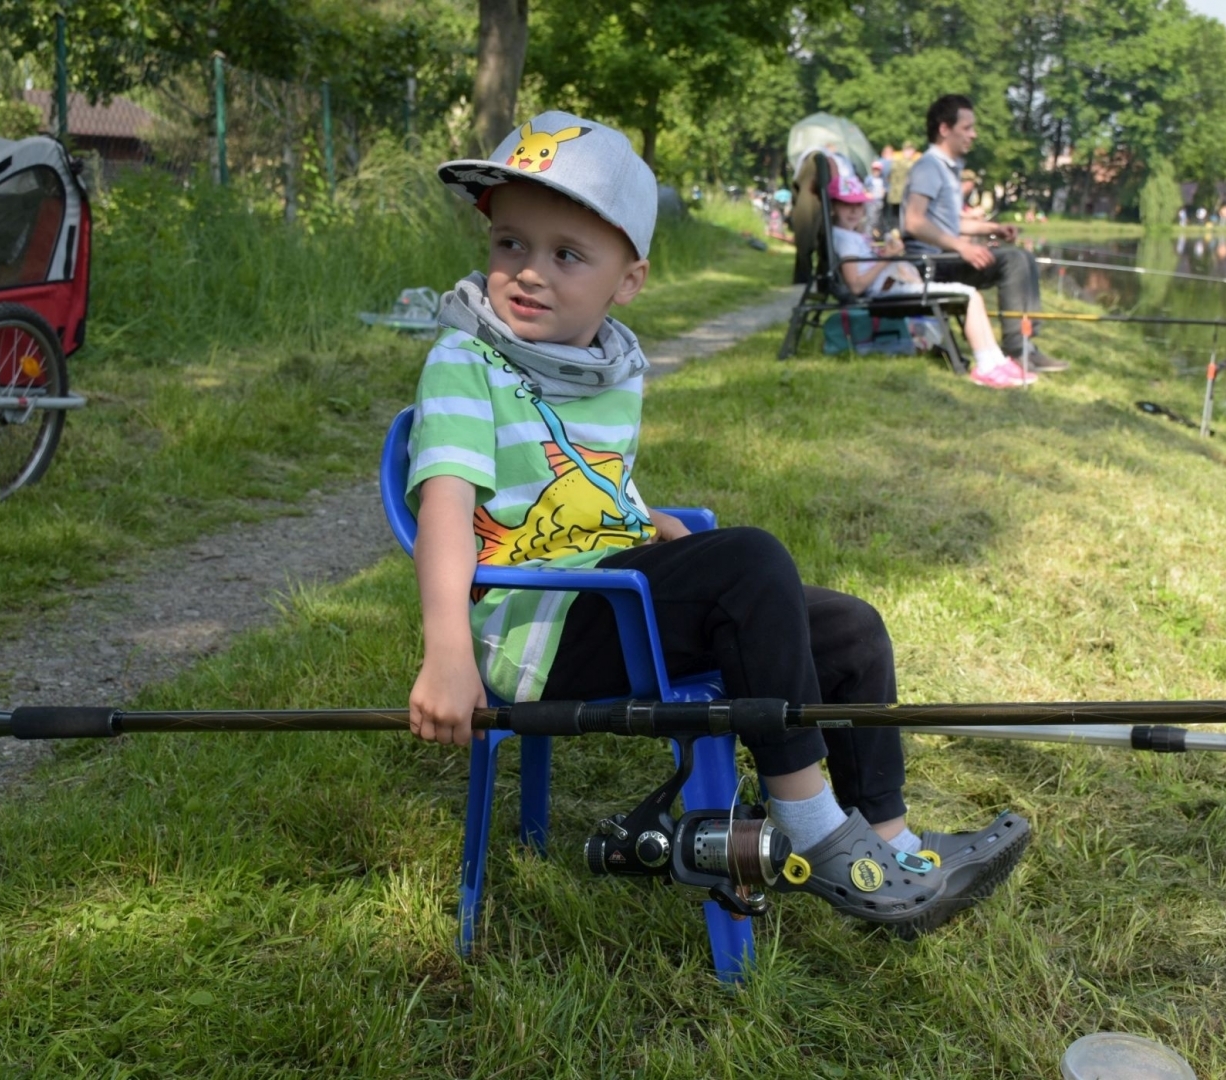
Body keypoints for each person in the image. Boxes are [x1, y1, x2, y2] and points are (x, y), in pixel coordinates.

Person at [416, 111, 1030, 936]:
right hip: (540, 630)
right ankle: (812, 830)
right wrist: (448, 651)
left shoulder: (605, 367)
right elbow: (449, 509)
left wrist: (644, 517)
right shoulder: (467, 359)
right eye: (510, 245)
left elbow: (575, 483)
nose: (529, 273)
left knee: (850, 631)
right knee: (749, 561)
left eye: (566, 255)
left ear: (625, 282)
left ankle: (889, 844)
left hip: (608, 588)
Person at [902, 95, 1067, 373]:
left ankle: (1025, 344)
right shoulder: (929, 166)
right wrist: (962, 248)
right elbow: (914, 222)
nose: (973, 135)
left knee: (1023, 258)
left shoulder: (947, 168)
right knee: (1013, 261)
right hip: (925, 266)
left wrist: (994, 229)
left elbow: (949, 223)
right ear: (944, 129)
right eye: (967, 128)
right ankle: (1017, 349)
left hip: (942, 258)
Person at [827, 174, 1035, 389]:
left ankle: (997, 361)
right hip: (887, 292)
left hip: (893, 286)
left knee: (973, 295)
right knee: (970, 295)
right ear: (833, 207)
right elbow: (857, 286)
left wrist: (884, 255)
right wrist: (888, 258)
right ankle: (986, 366)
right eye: (845, 205)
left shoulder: (850, 236)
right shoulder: (844, 240)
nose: (853, 211)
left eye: (858, 206)